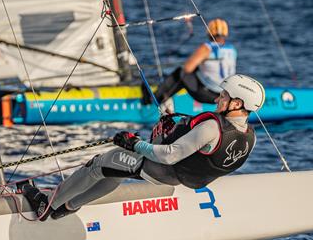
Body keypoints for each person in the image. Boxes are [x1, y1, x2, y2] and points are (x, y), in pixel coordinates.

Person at [22, 74, 264, 220]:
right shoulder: (248, 138)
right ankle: (67, 207)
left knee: (99, 164)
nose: (216, 99)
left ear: (237, 102)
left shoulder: (213, 127)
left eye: (223, 96)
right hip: (177, 178)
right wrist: (176, 128)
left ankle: (48, 207)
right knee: (115, 170)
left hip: (162, 168)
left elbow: (171, 155)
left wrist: (136, 144)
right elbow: (203, 155)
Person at [142, 18, 237, 110]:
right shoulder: (232, 49)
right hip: (225, 95)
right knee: (193, 72)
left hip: (210, 95)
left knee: (180, 73)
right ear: (226, 33)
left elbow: (187, 69)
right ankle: (164, 97)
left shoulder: (206, 48)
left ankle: (154, 100)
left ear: (209, 32)